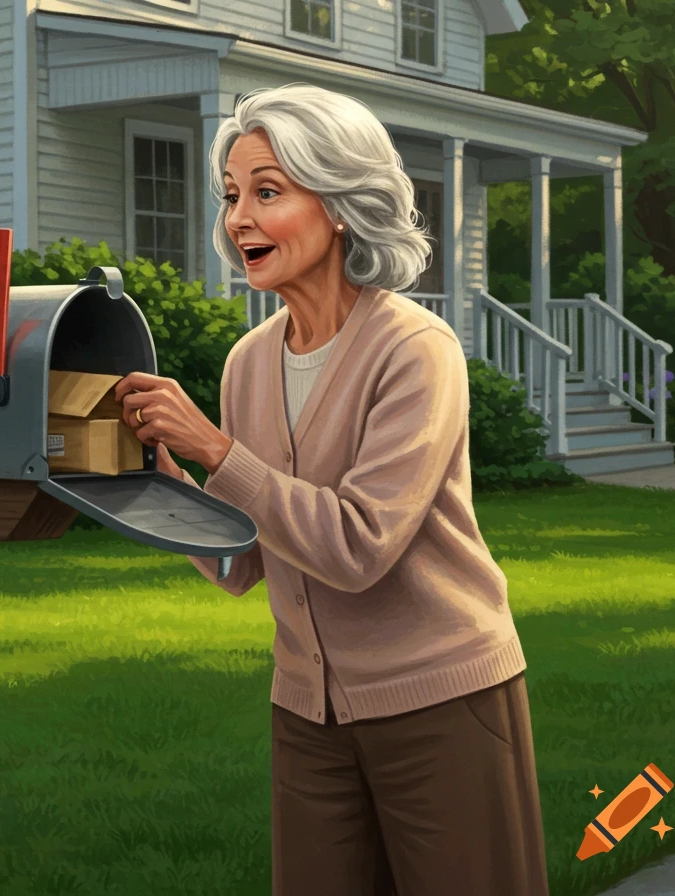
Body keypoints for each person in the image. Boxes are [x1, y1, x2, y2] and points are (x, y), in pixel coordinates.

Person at [113, 84, 551, 896]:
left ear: (342, 204)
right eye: (232, 195)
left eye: (268, 191)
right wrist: (160, 480)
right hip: (307, 717)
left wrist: (213, 445)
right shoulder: (249, 362)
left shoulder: (416, 350)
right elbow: (242, 562)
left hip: (442, 703)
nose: (238, 217)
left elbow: (356, 548)